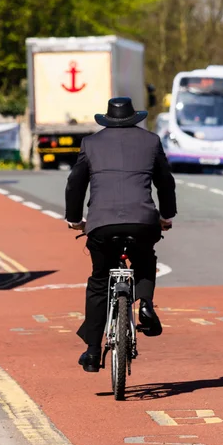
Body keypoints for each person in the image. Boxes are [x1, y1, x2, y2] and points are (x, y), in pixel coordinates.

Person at [65, 97, 177, 373]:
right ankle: (147, 305)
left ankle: (92, 351)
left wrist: (74, 219)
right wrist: (166, 215)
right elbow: (165, 182)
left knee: (100, 280)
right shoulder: (151, 141)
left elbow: (75, 184)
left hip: (102, 224)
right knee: (145, 259)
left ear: (107, 119)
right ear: (133, 118)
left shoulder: (91, 144)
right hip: (143, 222)